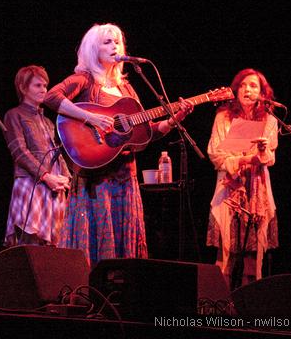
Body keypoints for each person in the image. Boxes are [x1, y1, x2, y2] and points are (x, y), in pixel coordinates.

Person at [44, 23, 193, 266]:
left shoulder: (126, 88)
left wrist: (172, 121)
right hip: (97, 180)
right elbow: (51, 97)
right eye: (107, 42)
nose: (114, 46)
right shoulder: (85, 79)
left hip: (126, 179)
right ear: (93, 49)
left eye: (117, 42)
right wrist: (90, 117)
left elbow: (145, 133)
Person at [206, 68, 279, 289]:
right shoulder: (223, 117)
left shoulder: (269, 119)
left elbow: (271, 157)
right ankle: (220, 305)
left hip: (257, 188)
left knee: (253, 251)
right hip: (230, 187)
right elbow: (215, 153)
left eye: (254, 86)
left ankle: (251, 306)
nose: (247, 89)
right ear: (236, 89)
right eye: (243, 85)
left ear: (262, 93)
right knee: (226, 250)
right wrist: (246, 160)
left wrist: (263, 152)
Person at [3, 65, 71, 246]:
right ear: (23, 88)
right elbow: (19, 152)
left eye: (45, 85)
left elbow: (57, 152)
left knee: (53, 245)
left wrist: (66, 178)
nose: (44, 90)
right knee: (29, 242)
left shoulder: (48, 121)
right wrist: (46, 176)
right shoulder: (14, 115)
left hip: (53, 186)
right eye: (38, 85)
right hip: (31, 182)